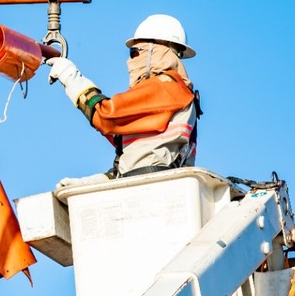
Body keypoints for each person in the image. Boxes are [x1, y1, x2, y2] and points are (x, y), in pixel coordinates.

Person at [47, 14, 201, 179]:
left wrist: (70, 77)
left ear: (153, 51)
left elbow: (105, 116)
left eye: (134, 52)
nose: (130, 60)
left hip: (149, 184)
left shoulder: (166, 87)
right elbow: (121, 134)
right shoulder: (176, 92)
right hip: (148, 182)